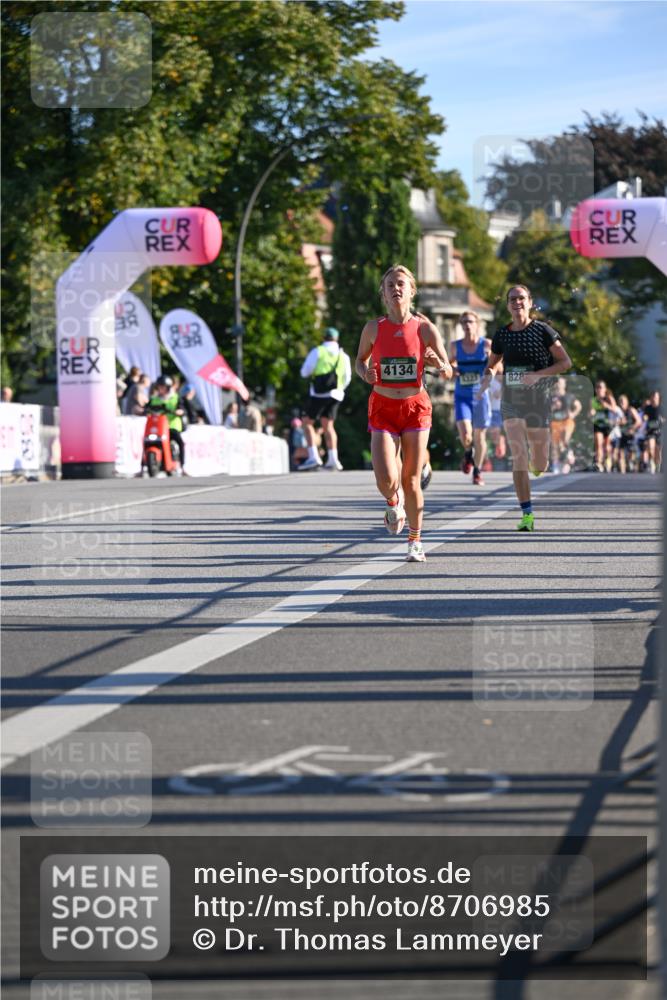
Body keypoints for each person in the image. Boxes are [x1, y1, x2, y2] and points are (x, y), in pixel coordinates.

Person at [355, 264, 452, 563]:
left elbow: (448, 371)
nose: (396, 289)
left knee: (410, 478)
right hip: (383, 406)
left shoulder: (425, 329)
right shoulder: (374, 327)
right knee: (386, 477)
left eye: (401, 284)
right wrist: (365, 374)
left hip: (415, 408)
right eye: (390, 285)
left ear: (412, 290)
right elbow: (360, 361)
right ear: (383, 294)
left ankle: (415, 540)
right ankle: (392, 502)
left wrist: (438, 363)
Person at [478, 284, 572, 531]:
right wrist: (487, 376)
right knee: (518, 454)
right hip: (512, 401)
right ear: (508, 305)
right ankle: (527, 514)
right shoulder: (502, 334)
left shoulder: (543, 331)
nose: (517, 302)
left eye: (521, 298)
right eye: (512, 299)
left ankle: (538, 464)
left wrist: (539, 375)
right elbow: (493, 363)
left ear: (530, 302)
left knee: (539, 463)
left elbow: (565, 362)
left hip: (538, 401)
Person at [298, 327, 352, 471]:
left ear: (323, 338)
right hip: (336, 395)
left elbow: (305, 372)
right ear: (337, 339)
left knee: (307, 423)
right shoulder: (343, 355)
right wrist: (338, 388)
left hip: (318, 394)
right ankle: (334, 460)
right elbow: (347, 378)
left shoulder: (318, 351)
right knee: (329, 427)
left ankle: (313, 457)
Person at [451, 310, 493, 485]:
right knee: (466, 435)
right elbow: (449, 364)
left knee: (479, 435)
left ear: (477, 324)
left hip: (481, 396)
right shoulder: (455, 345)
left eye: (470, 322)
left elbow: (497, 365)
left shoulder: (486, 345)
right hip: (462, 395)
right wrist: (453, 369)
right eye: (464, 323)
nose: (467, 325)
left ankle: (477, 470)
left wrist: (492, 369)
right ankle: (468, 453)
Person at [148, 375, 186, 471]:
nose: (161, 389)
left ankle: (183, 466)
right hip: (157, 427)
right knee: (146, 442)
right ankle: (143, 466)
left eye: (163, 386)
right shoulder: (154, 399)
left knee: (180, 442)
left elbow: (182, 409)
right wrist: (140, 410)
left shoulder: (176, 397)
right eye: (159, 387)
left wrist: (178, 411)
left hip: (172, 426)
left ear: (168, 387)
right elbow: (146, 408)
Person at [550, 376, 582, 473]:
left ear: (564, 384)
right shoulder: (552, 397)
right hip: (555, 422)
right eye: (557, 383)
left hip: (567, 421)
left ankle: (569, 455)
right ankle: (557, 464)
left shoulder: (569, 396)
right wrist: (554, 406)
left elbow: (578, 406)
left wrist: (573, 414)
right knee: (556, 444)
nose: (559, 385)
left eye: (561, 383)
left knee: (564, 438)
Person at [590, 380, 617, 472]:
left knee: (607, 446)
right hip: (597, 424)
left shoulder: (609, 398)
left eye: (601, 387)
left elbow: (615, 410)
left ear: (605, 389)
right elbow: (588, 413)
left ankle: (608, 461)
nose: (599, 389)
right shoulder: (593, 400)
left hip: (608, 425)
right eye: (597, 387)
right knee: (598, 443)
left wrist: (606, 406)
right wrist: (591, 413)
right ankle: (599, 463)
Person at [616, 394, 642, 474]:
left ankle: (633, 467)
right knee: (621, 453)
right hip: (622, 435)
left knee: (631, 454)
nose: (621, 404)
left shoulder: (631, 410)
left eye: (623, 402)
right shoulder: (618, 412)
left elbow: (639, 421)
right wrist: (618, 423)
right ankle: (622, 473)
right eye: (620, 402)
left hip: (631, 435)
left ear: (627, 402)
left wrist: (632, 429)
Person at [642, 390, 663, 473]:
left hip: (660, 431)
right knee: (650, 447)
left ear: (658, 399)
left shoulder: (662, 408)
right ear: (651, 398)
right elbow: (645, 415)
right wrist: (645, 418)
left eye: (656, 397)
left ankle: (658, 464)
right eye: (653, 397)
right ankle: (652, 463)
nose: (654, 399)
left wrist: (662, 420)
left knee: (658, 450)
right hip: (650, 431)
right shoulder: (648, 407)